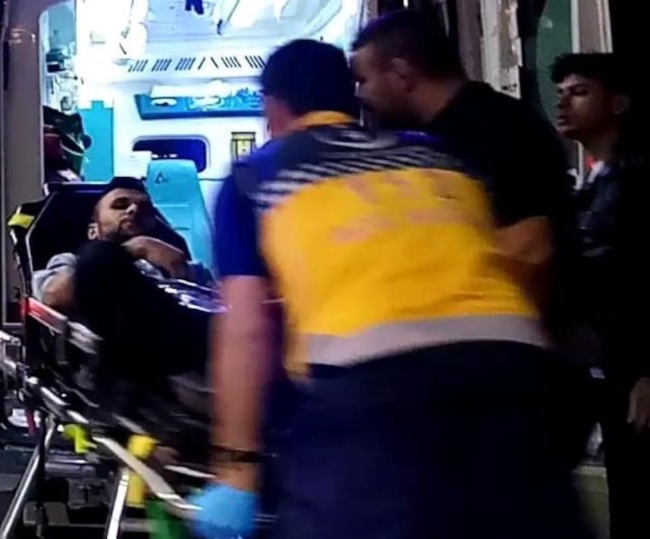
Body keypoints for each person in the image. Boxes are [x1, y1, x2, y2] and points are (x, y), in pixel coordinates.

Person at [189, 38, 590, 539]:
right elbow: (514, 251)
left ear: (273, 107)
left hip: (373, 395)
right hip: (515, 374)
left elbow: (246, 327)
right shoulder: (437, 155)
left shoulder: (257, 175)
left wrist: (237, 469)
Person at [350, 9, 577, 340]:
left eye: (363, 80)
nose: (359, 94)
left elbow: (533, 249)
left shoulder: (504, 130)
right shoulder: (415, 141)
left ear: (402, 73)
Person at [552, 52, 649, 539]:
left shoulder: (636, 181)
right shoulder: (592, 182)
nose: (563, 103)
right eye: (561, 93)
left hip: (630, 369)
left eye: (580, 92)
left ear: (619, 103)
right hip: (600, 365)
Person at [32, 176, 204, 311]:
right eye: (120, 205)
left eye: (145, 208)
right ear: (93, 231)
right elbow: (53, 296)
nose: (134, 209)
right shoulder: (71, 263)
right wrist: (130, 250)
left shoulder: (178, 262)